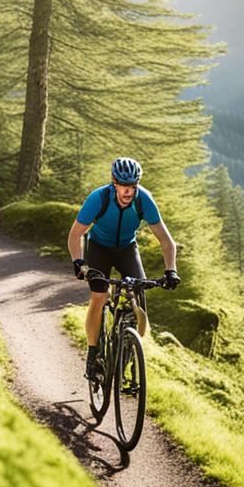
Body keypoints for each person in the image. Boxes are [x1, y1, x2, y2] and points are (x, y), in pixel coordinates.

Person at [67, 156, 180, 381]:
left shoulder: (144, 200)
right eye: (124, 186)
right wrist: (78, 262)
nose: (129, 192)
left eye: (133, 186)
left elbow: (167, 242)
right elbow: (75, 234)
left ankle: (128, 351)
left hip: (127, 248)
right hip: (98, 247)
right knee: (100, 295)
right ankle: (92, 353)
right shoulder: (98, 199)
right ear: (114, 183)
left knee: (138, 291)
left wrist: (171, 270)